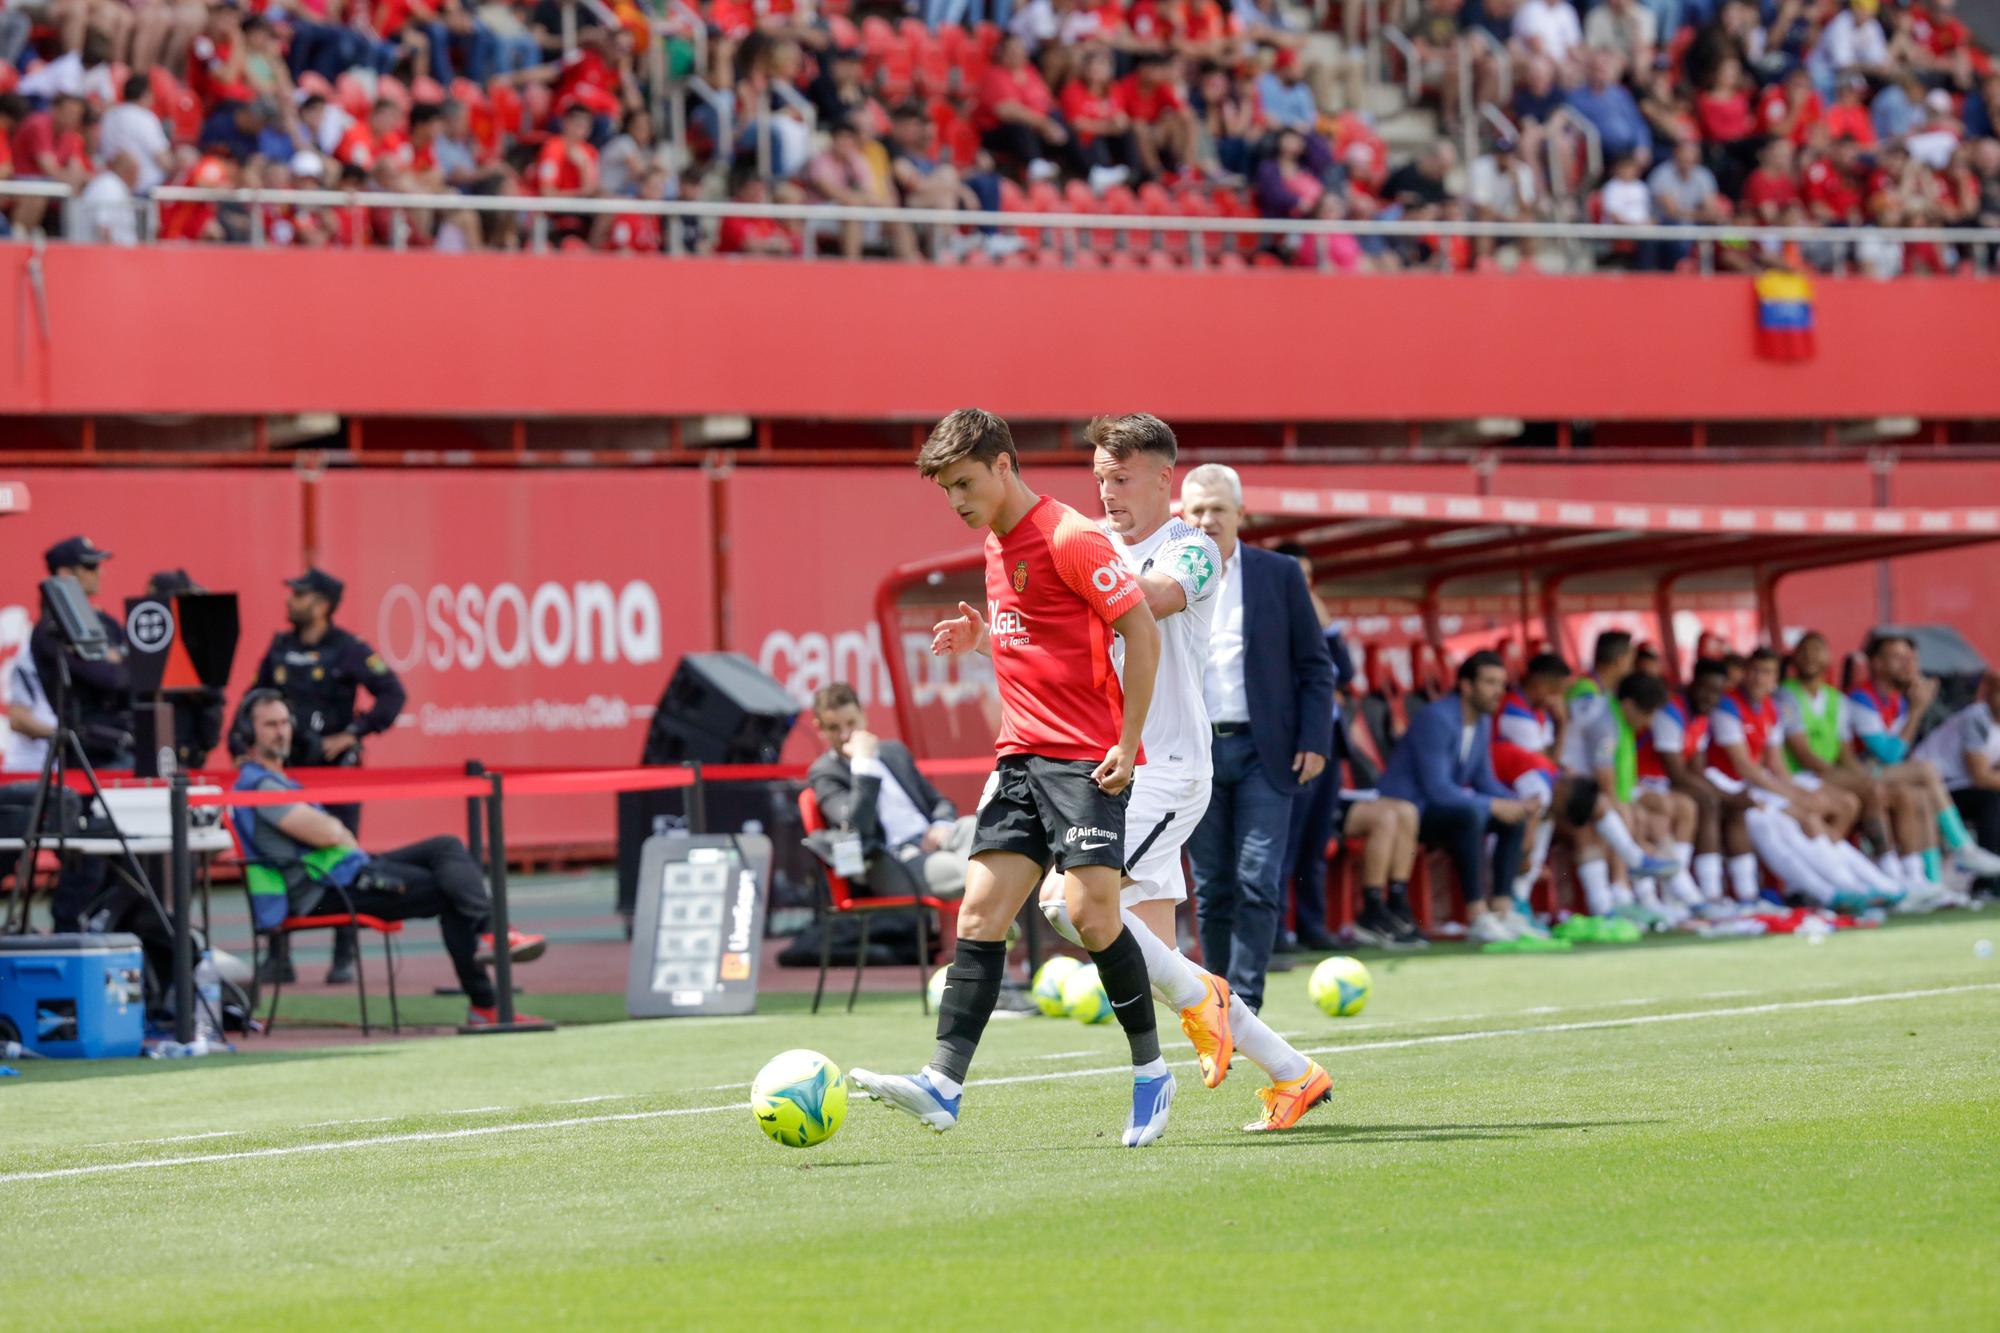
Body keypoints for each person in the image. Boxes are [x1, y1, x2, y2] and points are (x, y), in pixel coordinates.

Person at [851, 408, 1174, 1147]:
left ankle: (1152, 1070)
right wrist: (980, 640)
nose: (958, 500)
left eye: (966, 483)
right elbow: (1036, 639)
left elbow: (1140, 631)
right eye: (946, 491)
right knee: (978, 918)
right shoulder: (998, 543)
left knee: (1094, 919)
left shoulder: (1072, 536)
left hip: (1086, 757)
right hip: (1020, 758)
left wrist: (1128, 743)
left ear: (1003, 466)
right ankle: (942, 1082)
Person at [1032, 414, 1332, 1132]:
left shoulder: (1194, 548)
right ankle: (1295, 1072)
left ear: (1166, 477)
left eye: (1123, 476)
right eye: (1100, 477)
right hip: (1120, 771)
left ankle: (1211, 1005)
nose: (1108, 491)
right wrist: (995, 639)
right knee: (1162, 961)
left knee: (1063, 902)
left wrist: (1069, 590)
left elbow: (1149, 602)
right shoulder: (1095, 544)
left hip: (1167, 770)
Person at [230, 690, 546, 1027]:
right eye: (269, 725)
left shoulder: (277, 782)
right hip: (324, 891)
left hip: (349, 872)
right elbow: (328, 834)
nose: (281, 731)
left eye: (284, 723)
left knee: (446, 847)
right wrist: (335, 829)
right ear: (248, 735)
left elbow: (331, 835)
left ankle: (490, 939)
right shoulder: (260, 785)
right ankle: (486, 997)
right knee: (452, 891)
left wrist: (335, 832)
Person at [1179, 463, 1333, 1013]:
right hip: (1195, 753)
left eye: (1219, 508)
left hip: (1267, 751)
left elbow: (1317, 667)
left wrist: (1315, 739)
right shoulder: (1164, 576)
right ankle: (1215, 1003)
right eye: (1197, 509)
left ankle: (1246, 1006)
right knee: (1214, 885)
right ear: (1182, 516)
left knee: (1257, 879)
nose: (1208, 518)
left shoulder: (1280, 574)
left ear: (1241, 514)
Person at [236, 567, 407, 986]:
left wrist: (353, 733)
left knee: (341, 853)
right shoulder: (280, 648)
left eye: (300, 595)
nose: (291, 600)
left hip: (337, 775)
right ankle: (278, 955)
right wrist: (242, 747)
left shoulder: (348, 648)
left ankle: (343, 955)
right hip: (286, 774)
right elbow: (253, 699)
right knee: (277, 858)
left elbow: (393, 694)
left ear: (323, 605)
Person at [1709, 647, 1901, 909]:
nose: (1758, 678)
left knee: (1810, 818)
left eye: (1766, 673)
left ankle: (1869, 883)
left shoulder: (1770, 708)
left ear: (1775, 679)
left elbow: (1776, 763)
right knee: (1773, 824)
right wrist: (1792, 796)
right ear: (1745, 674)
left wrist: (1796, 792)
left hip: (1758, 785)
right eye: (1754, 671)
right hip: (1729, 783)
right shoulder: (1727, 707)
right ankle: (1828, 891)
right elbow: (1744, 767)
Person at [1378, 651, 1533, 943]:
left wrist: (1517, 803)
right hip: (1411, 810)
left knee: (1512, 818)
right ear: (1465, 685)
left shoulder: (1483, 721)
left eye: (1501, 683)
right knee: (1471, 815)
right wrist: (1492, 804)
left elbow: (1484, 779)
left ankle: (1503, 909)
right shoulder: (1436, 717)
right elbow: (1437, 789)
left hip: (1443, 808)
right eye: (1490, 682)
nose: (1498, 691)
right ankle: (1477, 916)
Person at [806, 682, 975, 899]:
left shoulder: (894, 752)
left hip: (931, 837)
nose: (845, 735)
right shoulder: (824, 772)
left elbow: (939, 802)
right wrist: (863, 765)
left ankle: (993, 910)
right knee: (967, 871)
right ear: (819, 728)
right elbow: (857, 825)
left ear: (863, 716)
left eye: (851, 723)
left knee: (975, 829)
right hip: (891, 858)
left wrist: (940, 826)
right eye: (833, 728)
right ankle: (995, 914)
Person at [29, 536, 132, 769]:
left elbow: (137, 672)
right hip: (89, 752)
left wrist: (117, 660)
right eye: (90, 567)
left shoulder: (105, 621)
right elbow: (112, 678)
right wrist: (116, 659)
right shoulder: (52, 629)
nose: (99, 573)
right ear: (65, 574)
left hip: (126, 742)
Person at [1914, 672, 2000, 888]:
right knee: (1992, 799)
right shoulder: (1977, 719)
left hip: (1957, 787)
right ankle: (1987, 881)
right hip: (1928, 784)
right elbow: (1980, 775)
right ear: (1988, 694)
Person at [141, 569, 225, 773]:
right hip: (150, 752)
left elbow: (212, 696)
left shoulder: (193, 648)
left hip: (190, 754)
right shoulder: (144, 644)